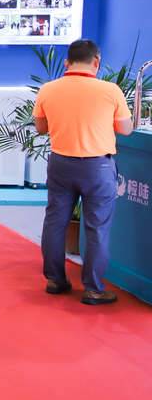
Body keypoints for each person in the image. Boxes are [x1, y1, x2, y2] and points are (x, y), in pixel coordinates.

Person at [34, 39, 134, 305]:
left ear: (66, 63)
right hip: (97, 167)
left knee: (55, 222)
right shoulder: (110, 90)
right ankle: (93, 289)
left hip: (60, 163)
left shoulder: (48, 89)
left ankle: (55, 280)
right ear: (96, 62)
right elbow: (126, 129)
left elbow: (41, 127)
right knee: (97, 227)